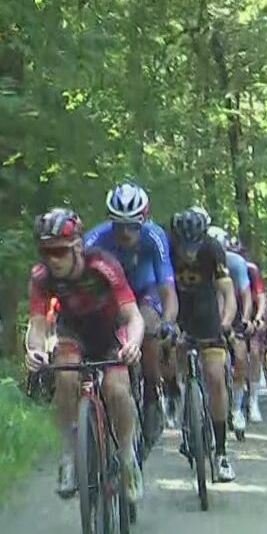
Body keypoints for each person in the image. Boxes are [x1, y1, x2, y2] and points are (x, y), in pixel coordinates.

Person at [23, 208, 145, 502]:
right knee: (64, 374)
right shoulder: (41, 276)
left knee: (116, 391)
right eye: (45, 252)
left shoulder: (103, 266)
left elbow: (133, 316)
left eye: (59, 251)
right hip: (73, 331)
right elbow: (37, 324)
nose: (53, 259)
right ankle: (69, 455)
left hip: (109, 331)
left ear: (77, 246)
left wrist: (134, 344)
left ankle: (127, 458)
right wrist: (34, 350)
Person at [83, 182, 180, 438]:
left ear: (143, 220)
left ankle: (150, 394)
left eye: (132, 226)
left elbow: (167, 289)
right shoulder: (94, 239)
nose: (125, 233)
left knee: (150, 328)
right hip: (111, 295)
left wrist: (168, 322)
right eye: (119, 225)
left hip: (145, 291)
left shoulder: (155, 236)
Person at [169, 208, 238, 482]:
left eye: (193, 245)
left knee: (214, 376)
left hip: (207, 313)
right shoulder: (169, 247)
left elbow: (227, 293)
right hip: (178, 311)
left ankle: (221, 453)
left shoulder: (212, 249)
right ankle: (178, 400)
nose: (188, 251)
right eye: (184, 245)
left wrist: (226, 322)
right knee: (167, 354)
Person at [208, 226, 255, 432]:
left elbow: (245, 294)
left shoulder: (236, 263)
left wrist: (245, 319)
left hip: (232, 311)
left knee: (241, 355)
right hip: (206, 313)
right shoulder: (198, 261)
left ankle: (236, 408)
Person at [232, 236, 267, 422]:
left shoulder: (251, 270)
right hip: (231, 313)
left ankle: (254, 400)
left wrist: (258, 318)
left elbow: (261, 297)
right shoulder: (222, 269)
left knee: (254, 353)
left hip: (252, 312)